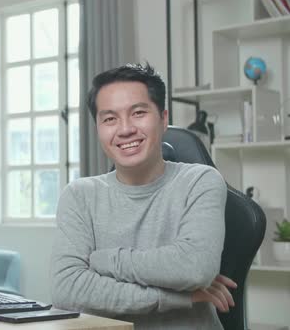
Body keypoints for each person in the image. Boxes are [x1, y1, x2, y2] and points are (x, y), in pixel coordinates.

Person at [50, 63, 236, 329]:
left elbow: (194, 267)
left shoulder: (200, 181)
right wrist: (177, 296)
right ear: (98, 128)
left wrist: (102, 260)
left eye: (138, 113)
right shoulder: (79, 196)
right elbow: (67, 290)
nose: (125, 129)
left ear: (163, 119)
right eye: (110, 119)